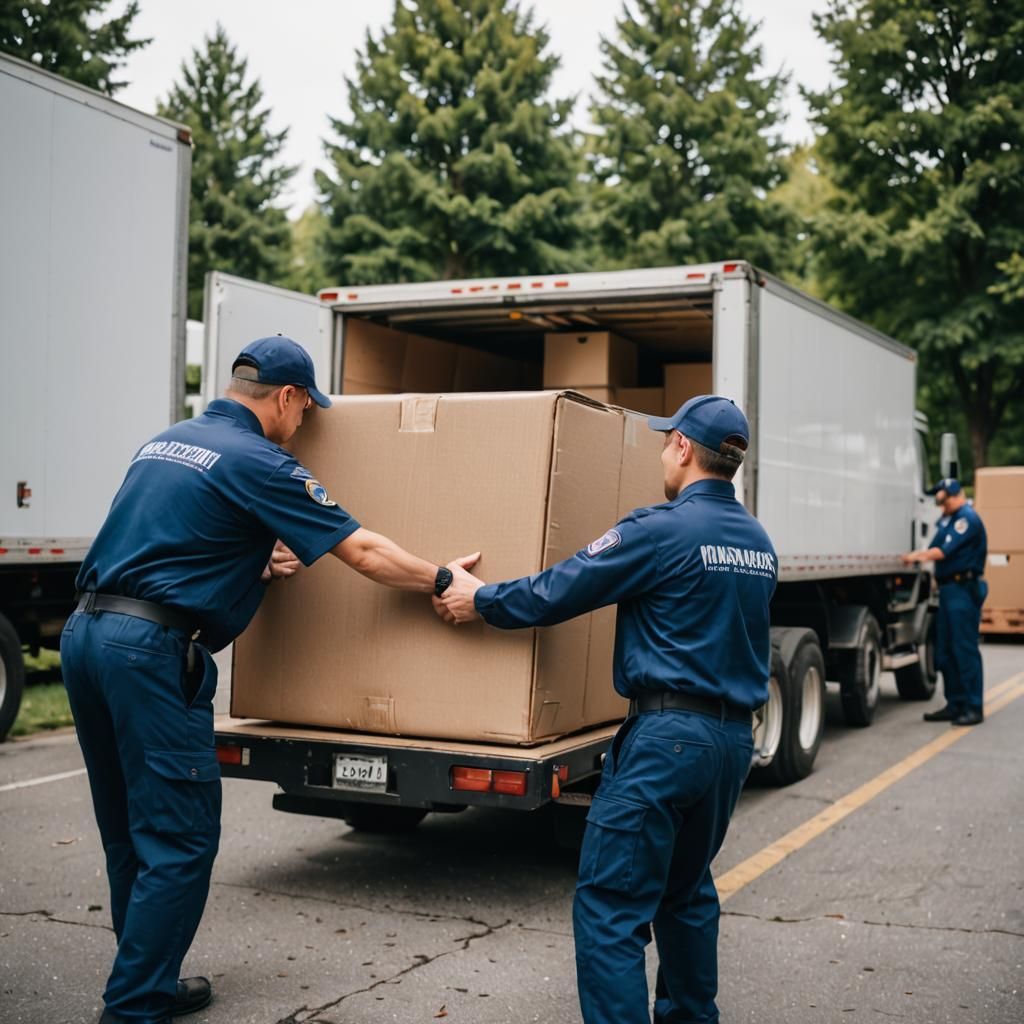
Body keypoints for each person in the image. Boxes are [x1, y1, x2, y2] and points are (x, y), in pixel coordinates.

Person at [61, 335, 475, 1024]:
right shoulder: (261, 460)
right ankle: (133, 1008)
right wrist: (442, 578)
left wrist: (247, 562)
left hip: (86, 636)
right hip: (149, 653)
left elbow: (165, 545)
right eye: (307, 408)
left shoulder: (166, 442)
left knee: (129, 830)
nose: (306, 421)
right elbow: (364, 552)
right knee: (180, 840)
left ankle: (148, 980)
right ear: (286, 396)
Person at [435, 395, 776, 1024]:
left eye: (666, 441)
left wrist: (481, 599)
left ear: (682, 447)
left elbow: (560, 588)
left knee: (611, 907)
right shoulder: (759, 542)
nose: (662, 453)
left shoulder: (659, 529)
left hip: (667, 740)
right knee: (686, 893)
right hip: (730, 744)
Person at [902, 477, 987, 726]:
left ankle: (973, 706)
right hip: (949, 590)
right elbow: (936, 544)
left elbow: (942, 552)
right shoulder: (948, 520)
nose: (941, 505)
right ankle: (955, 703)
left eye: (943, 499)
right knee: (945, 650)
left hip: (963, 589)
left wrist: (915, 557)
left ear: (954, 495)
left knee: (964, 648)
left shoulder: (966, 519)